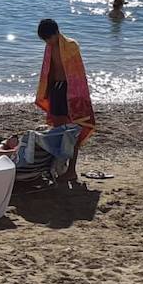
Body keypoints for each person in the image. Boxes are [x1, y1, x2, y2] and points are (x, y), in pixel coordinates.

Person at [34, 19, 96, 182]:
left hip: (70, 90)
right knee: (57, 129)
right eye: (45, 40)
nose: (47, 42)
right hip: (56, 89)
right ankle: (58, 166)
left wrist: (76, 97)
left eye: (49, 38)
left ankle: (72, 169)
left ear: (56, 33)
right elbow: (49, 72)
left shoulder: (71, 46)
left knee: (72, 131)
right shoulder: (49, 48)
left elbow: (77, 75)